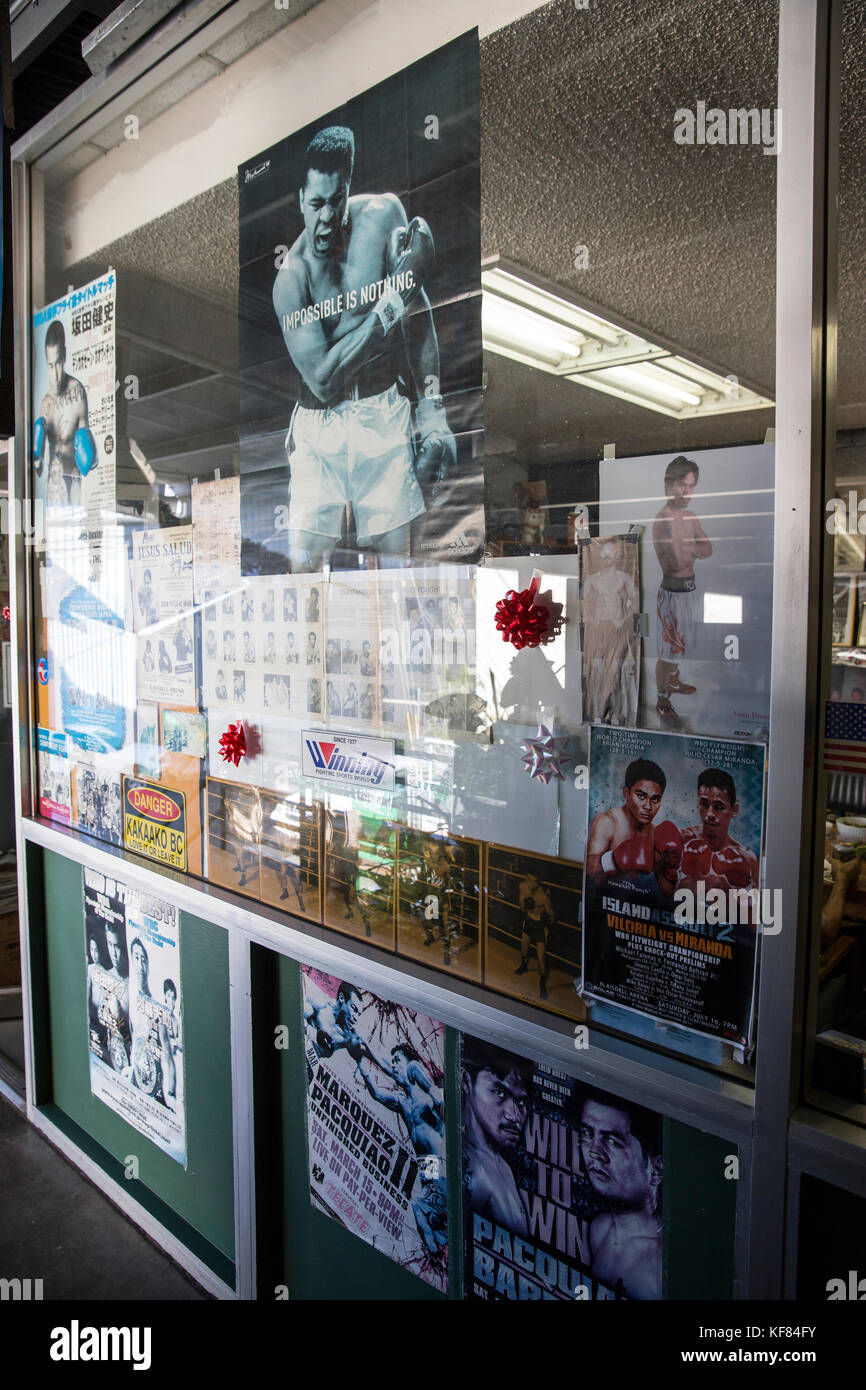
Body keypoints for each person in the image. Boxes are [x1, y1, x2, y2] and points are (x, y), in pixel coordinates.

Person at [272, 125, 456, 568]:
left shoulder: (382, 215)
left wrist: (433, 413)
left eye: (335, 201)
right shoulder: (291, 279)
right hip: (319, 428)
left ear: (348, 188)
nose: (325, 218)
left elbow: (418, 317)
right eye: (315, 204)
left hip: (381, 409)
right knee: (303, 570)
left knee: (398, 568)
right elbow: (322, 378)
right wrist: (388, 305)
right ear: (300, 198)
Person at [355, 1043, 447, 1255]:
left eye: (397, 1060)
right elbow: (378, 1095)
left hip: (442, 1161)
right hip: (428, 1167)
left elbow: (417, 1070)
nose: (395, 1066)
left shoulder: (422, 1087)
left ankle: (437, 1251)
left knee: (421, 1207)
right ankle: (438, 1251)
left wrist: (435, 1092)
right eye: (393, 1061)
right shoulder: (403, 1102)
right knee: (432, 1219)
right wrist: (361, 1065)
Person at [577, 1090, 663, 1300]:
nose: (594, 1152)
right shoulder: (600, 1229)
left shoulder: (658, 1268)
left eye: (613, 1142)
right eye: (588, 1134)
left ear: (657, 1169)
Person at [653, 456, 712, 720]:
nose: (688, 492)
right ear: (669, 486)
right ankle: (661, 700)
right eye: (682, 485)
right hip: (673, 593)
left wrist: (689, 548)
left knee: (685, 646)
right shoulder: (663, 519)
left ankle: (673, 681)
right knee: (668, 651)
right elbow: (676, 563)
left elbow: (708, 549)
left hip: (691, 590)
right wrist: (692, 549)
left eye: (692, 485)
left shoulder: (691, 516)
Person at [461, 1038, 532, 1235]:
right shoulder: (470, 1170)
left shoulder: (501, 1164)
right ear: (466, 1081)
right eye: (499, 1093)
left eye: (520, 1102)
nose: (514, 1115)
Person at [585, 758, 682, 899]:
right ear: (626, 793)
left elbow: (667, 891)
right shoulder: (608, 822)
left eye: (655, 799)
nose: (648, 806)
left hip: (636, 909)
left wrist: (671, 869)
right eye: (641, 796)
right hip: (603, 906)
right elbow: (589, 871)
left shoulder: (656, 834)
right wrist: (614, 859)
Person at [33, 319, 96, 505]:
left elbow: (88, 462)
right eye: (51, 365)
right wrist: (36, 456)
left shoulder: (77, 392)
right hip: (54, 489)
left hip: (74, 485)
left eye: (59, 363)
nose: (56, 374)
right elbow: (37, 469)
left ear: (65, 356)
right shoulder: (45, 405)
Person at [581, 537, 639, 725]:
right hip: (597, 630)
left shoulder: (624, 578)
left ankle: (615, 712)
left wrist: (623, 618)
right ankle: (597, 712)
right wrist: (591, 618)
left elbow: (636, 602)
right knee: (595, 669)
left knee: (615, 671)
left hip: (617, 629)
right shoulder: (591, 579)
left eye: (611, 552)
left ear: (617, 555)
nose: (606, 556)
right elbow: (581, 603)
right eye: (604, 552)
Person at [678, 768, 759, 899]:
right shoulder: (681, 840)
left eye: (718, 807)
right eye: (704, 804)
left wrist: (726, 892)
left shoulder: (748, 859)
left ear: (734, 810)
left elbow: (753, 914)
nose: (709, 814)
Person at [303, 976, 368, 1064]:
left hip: (308, 1066)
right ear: (341, 998)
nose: (356, 1017)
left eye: (359, 1014)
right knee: (307, 1010)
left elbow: (380, 1064)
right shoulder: (323, 1005)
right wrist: (310, 1031)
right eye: (353, 1008)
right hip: (297, 1044)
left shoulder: (350, 1037)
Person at [513, 870, 554, 1001]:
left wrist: (546, 925)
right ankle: (524, 965)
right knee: (523, 946)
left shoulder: (543, 897)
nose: (532, 884)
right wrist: (524, 906)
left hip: (540, 926)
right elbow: (521, 906)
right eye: (530, 880)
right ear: (526, 878)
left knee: (541, 957)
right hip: (529, 921)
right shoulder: (522, 886)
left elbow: (552, 916)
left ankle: (542, 984)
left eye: (535, 881)